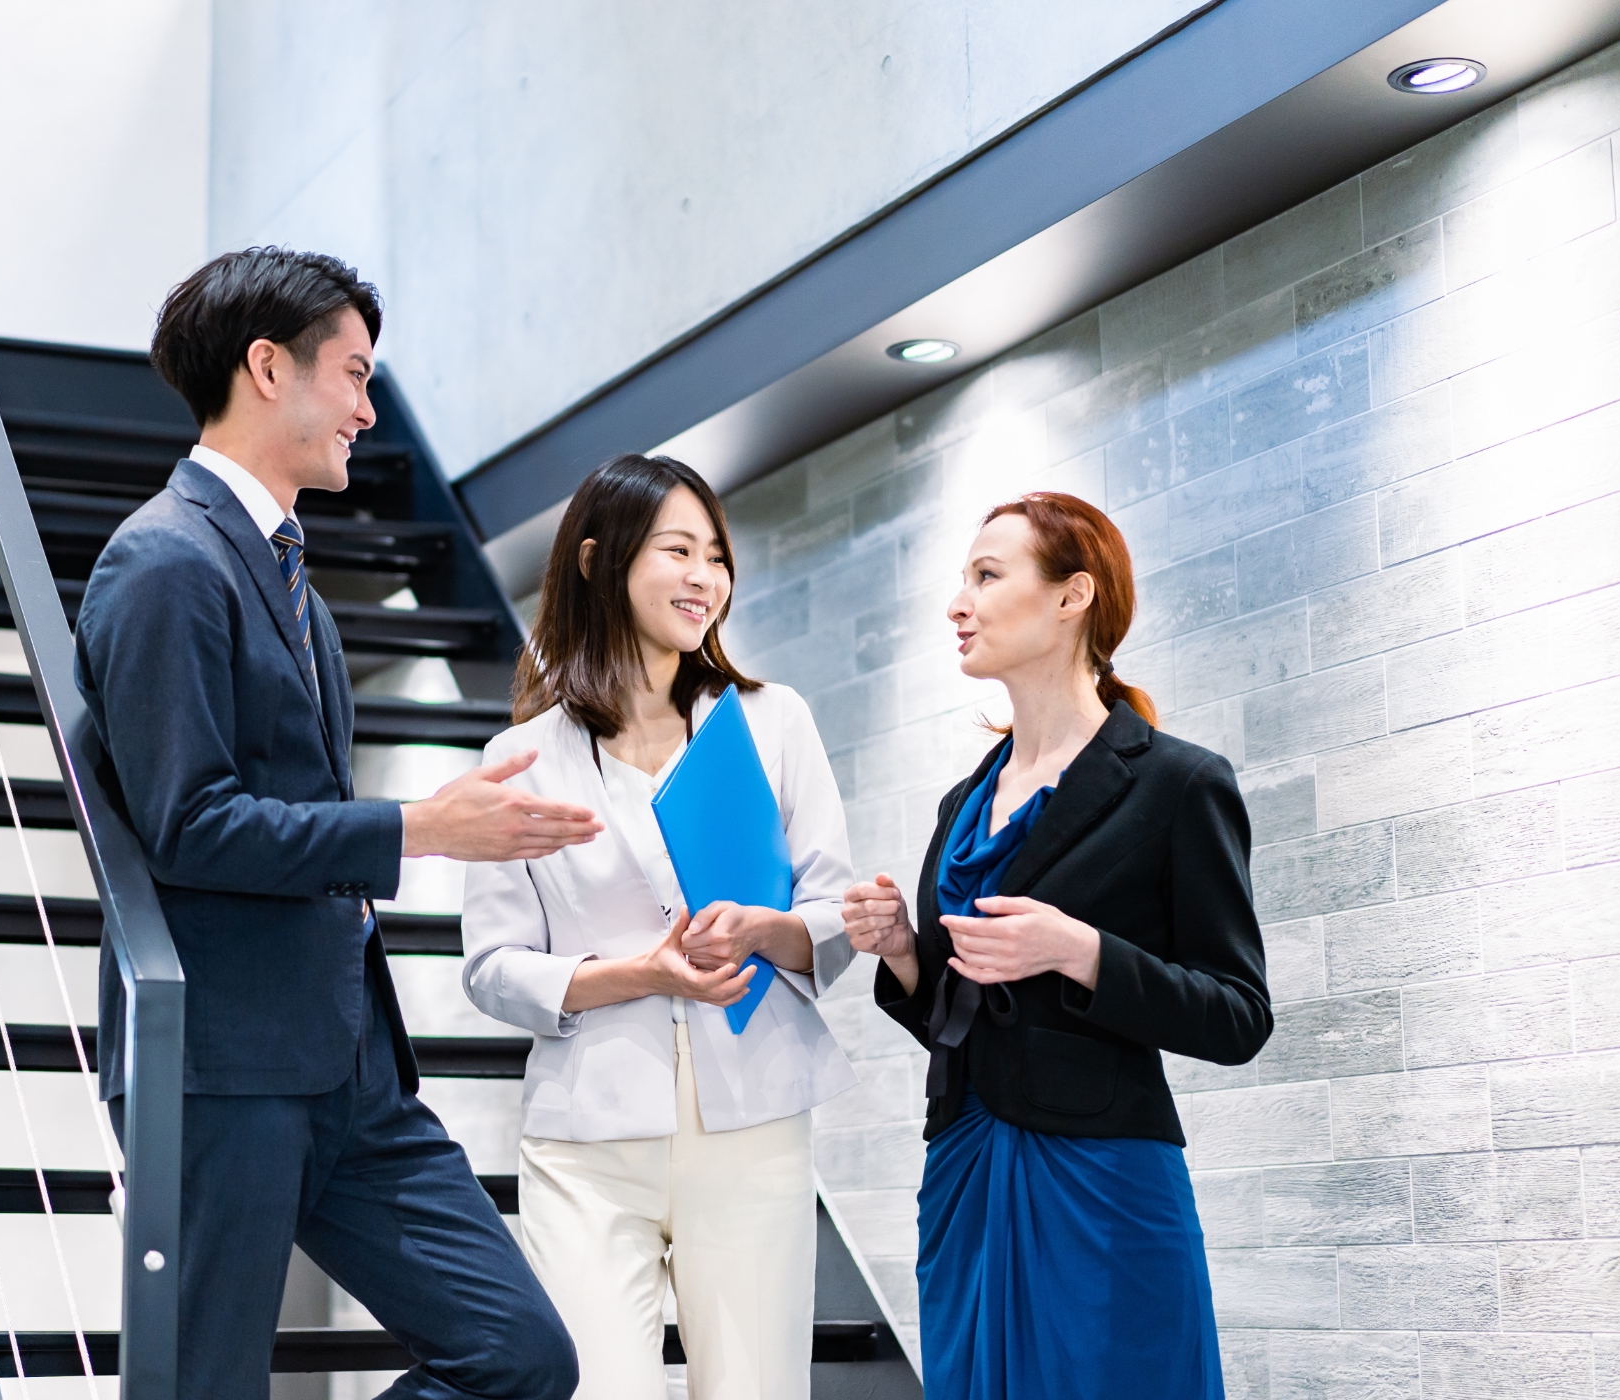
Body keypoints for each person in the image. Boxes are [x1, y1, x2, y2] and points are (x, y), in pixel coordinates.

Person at [75, 248, 602, 1400]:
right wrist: (420, 826)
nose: (370, 409)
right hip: (220, 1061)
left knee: (519, 1353)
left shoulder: (291, 578)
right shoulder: (163, 562)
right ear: (268, 368)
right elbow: (189, 823)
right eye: (354, 375)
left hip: (350, 1067)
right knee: (201, 1384)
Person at [841, 492, 1272, 1400]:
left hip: (1104, 1179)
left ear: (1073, 597)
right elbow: (963, 1017)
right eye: (961, 579)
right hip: (963, 1168)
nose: (958, 603)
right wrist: (904, 956)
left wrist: (1082, 952)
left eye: (987, 576)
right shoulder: (960, 805)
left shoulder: (1179, 783)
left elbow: (1238, 1015)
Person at [460, 454, 857, 1400]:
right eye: (677, 550)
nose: (704, 578)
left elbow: (833, 913)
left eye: (715, 556)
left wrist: (767, 929)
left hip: (754, 1127)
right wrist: (641, 973)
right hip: (587, 1144)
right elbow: (490, 968)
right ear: (599, 561)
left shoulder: (773, 722)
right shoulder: (521, 757)